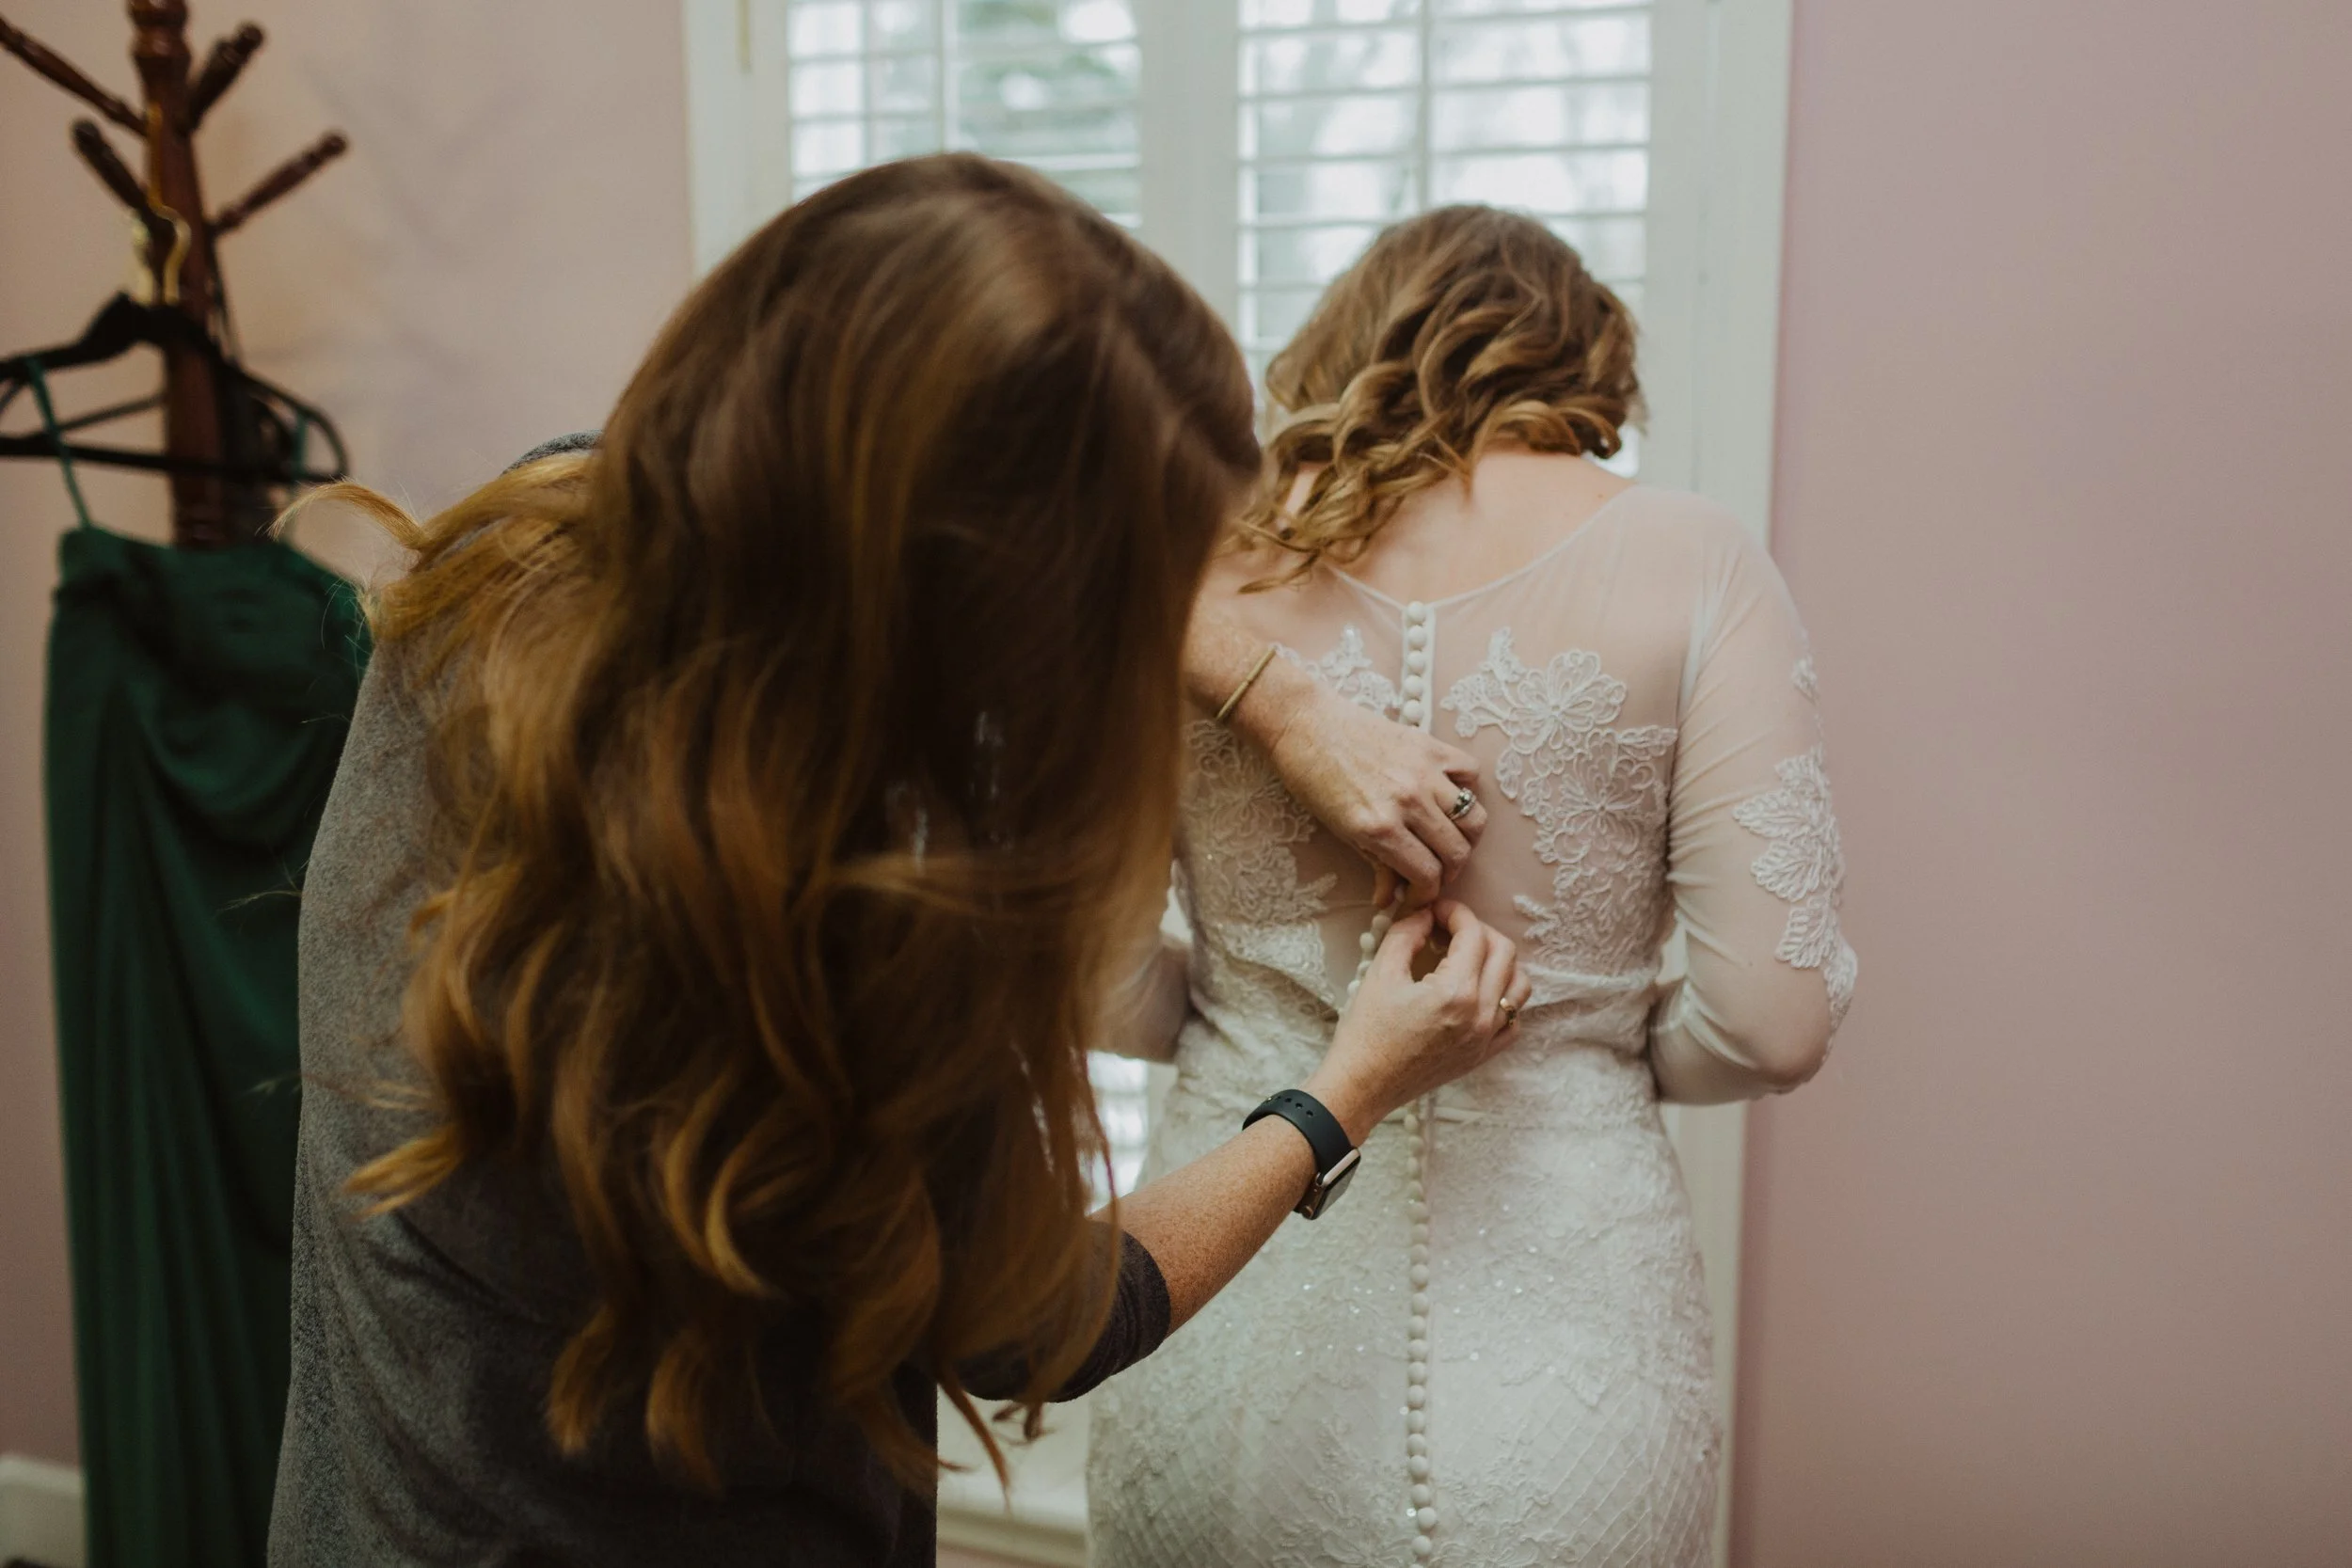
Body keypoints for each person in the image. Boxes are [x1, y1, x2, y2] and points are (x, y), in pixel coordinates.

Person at [265, 156, 1532, 1566]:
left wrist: (1278, 699)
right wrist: (1342, 1091)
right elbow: (1043, 1325)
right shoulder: (861, 913)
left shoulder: (528, 546)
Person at [1086, 205, 1856, 1567]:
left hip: (1222, 1315)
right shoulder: (1696, 558)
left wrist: (1248, 1022)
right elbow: (1772, 1021)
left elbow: (1089, 973)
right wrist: (1581, 1047)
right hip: (1568, 1369)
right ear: (1585, 381)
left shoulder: (1195, 571)